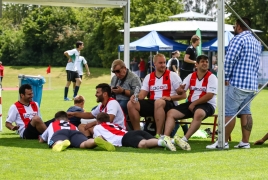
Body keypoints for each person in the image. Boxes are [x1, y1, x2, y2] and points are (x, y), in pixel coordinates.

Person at [206, 18, 262, 150]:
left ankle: (223, 142)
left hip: (237, 82)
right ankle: (245, 142)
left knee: (228, 112)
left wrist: (224, 77)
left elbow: (229, 61)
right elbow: (257, 64)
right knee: (246, 112)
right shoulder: (256, 41)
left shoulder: (238, 39)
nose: (233, 28)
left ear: (239, 26)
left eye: (234, 26)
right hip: (251, 84)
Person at [162, 55, 218, 151]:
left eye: (206, 62)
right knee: (171, 113)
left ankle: (184, 139)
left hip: (207, 104)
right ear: (196, 64)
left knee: (199, 113)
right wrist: (180, 90)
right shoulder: (190, 76)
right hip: (192, 103)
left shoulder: (212, 77)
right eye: (202, 62)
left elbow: (209, 95)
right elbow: (182, 91)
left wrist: (194, 103)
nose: (205, 63)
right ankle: (166, 139)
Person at [127, 53, 186, 140]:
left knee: (159, 102)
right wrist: (135, 97)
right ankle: (138, 133)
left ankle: (159, 135)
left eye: (164, 63)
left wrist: (170, 97)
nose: (163, 65)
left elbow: (184, 95)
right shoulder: (149, 77)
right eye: (160, 63)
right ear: (154, 64)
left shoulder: (173, 75)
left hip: (169, 104)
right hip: (154, 103)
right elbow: (142, 95)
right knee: (131, 104)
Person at [93, 112, 181, 151]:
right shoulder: (114, 124)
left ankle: (165, 141)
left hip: (124, 138)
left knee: (143, 144)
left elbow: (100, 139)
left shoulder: (97, 127)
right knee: (155, 144)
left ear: (98, 121)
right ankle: (173, 140)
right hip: (134, 132)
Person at [39, 111, 115, 152]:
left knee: (57, 141)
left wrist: (40, 138)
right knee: (84, 144)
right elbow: (79, 133)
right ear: (67, 120)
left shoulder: (53, 124)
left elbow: (42, 140)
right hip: (74, 132)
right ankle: (95, 141)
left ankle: (60, 144)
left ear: (56, 120)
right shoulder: (72, 125)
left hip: (59, 132)